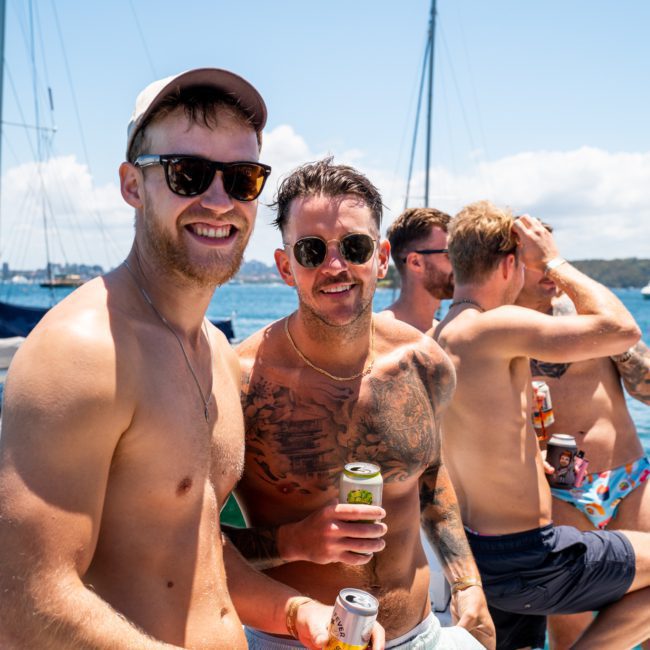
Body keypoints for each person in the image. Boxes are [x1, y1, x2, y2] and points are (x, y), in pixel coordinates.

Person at [0, 69, 357, 649]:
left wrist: (294, 612)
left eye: (241, 179)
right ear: (132, 185)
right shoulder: (84, 352)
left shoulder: (213, 350)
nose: (218, 201)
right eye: (187, 173)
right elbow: (23, 600)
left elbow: (194, 548)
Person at [229, 157, 495, 649]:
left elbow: (431, 478)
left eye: (354, 247)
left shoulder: (423, 362)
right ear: (286, 266)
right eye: (312, 251)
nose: (335, 267)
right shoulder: (238, 382)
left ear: (380, 255)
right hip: (293, 641)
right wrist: (296, 541)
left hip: (421, 634)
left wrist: (467, 582)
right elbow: (193, 544)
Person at [435, 200, 650, 650]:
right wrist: (555, 260)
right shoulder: (493, 327)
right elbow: (622, 328)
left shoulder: (438, 340)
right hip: (532, 553)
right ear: (511, 264)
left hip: (485, 554)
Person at [515, 258, 650, 649]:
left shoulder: (592, 320)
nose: (549, 274)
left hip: (629, 476)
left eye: (552, 262)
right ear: (509, 268)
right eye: (536, 264)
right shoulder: (494, 330)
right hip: (558, 492)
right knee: (572, 629)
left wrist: (617, 344)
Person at [384, 207, 453, 332]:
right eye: (450, 254)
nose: (459, 263)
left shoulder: (445, 334)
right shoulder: (379, 335)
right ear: (416, 262)